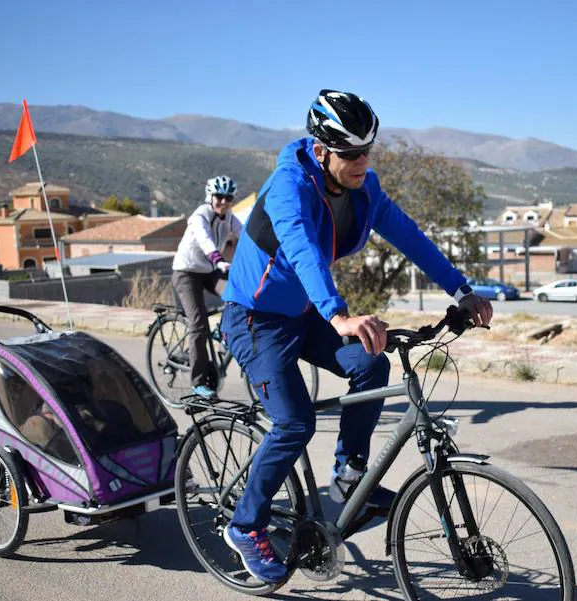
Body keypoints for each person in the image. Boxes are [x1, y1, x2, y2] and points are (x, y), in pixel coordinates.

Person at [219, 89, 493, 583]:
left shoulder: (365, 189)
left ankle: (349, 477)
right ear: (321, 150)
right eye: (349, 153)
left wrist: (461, 289)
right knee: (294, 422)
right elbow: (301, 248)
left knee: (372, 363)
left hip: (305, 315)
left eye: (368, 149)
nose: (361, 161)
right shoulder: (288, 186)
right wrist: (339, 315)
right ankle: (245, 525)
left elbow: (408, 234)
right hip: (255, 318)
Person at [171, 175, 243, 398]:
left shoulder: (230, 218)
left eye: (227, 198)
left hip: (209, 270)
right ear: (210, 197)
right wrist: (217, 259)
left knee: (236, 295)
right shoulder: (200, 215)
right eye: (219, 197)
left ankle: (223, 332)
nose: (223, 202)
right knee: (198, 324)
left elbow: (248, 235)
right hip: (186, 272)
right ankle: (198, 382)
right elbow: (204, 240)